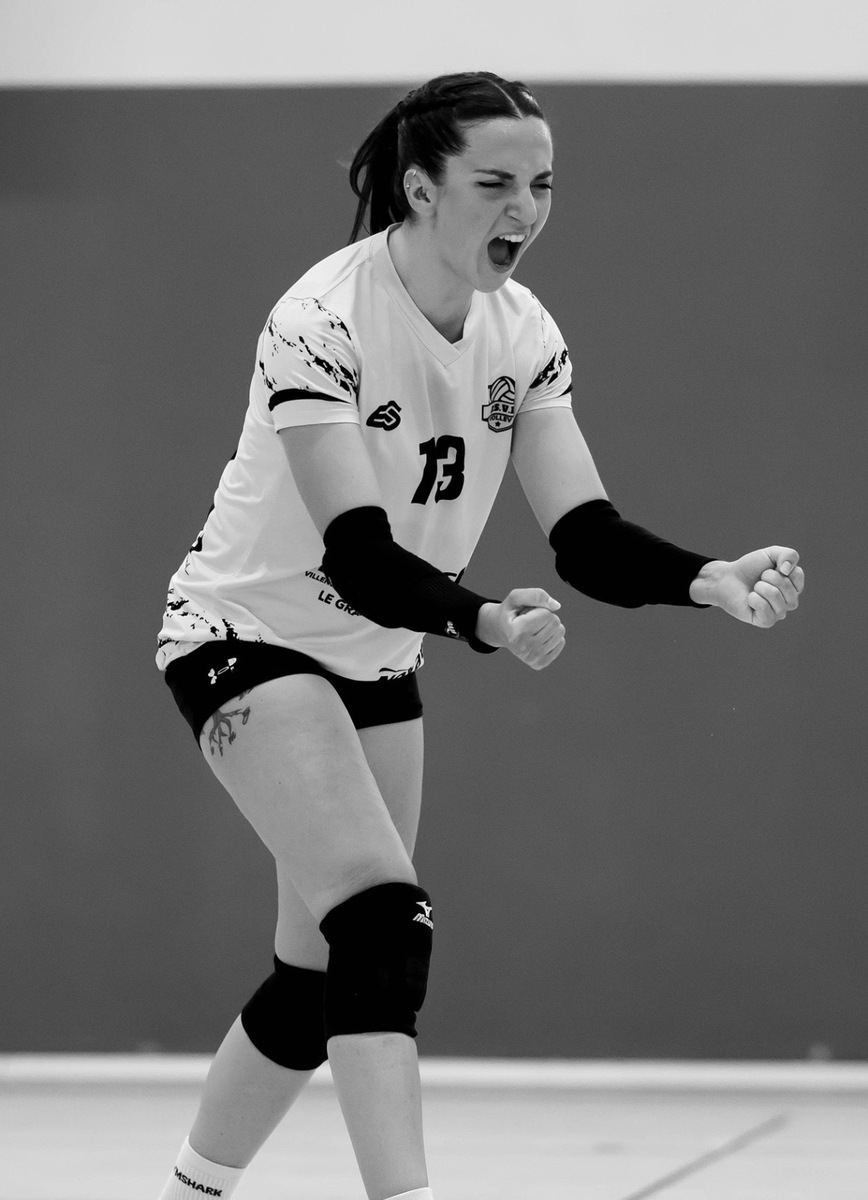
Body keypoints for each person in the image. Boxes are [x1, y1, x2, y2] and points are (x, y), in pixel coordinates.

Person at [153, 71, 804, 1200]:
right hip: (245, 637)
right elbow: (358, 557)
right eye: (496, 182)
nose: (525, 208)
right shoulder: (319, 322)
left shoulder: (522, 330)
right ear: (421, 188)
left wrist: (708, 580)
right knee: (382, 924)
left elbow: (585, 535)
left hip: (378, 656)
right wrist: (483, 619)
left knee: (315, 984)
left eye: (542, 185)